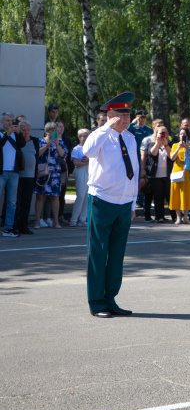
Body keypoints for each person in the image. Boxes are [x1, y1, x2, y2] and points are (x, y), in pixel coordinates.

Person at [83, 92, 139, 318]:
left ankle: (111, 299)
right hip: (102, 201)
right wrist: (107, 127)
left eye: (128, 115)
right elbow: (87, 151)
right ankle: (97, 303)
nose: (126, 119)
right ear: (110, 115)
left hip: (124, 203)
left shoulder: (130, 138)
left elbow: (133, 171)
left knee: (117, 255)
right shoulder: (99, 135)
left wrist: (133, 203)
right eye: (121, 115)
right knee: (98, 253)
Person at [34, 122, 66, 229]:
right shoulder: (40, 141)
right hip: (43, 173)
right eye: (53, 131)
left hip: (54, 174)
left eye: (56, 131)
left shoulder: (60, 142)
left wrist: (56, 145)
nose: (55, 133)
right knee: (40, 197)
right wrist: (47, 145)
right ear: (47, 131)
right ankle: (37, 221)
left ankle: (56, 222)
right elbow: (36, 154)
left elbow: (63, 154)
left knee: (55, 197)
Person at [0, 113, 25, 237]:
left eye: (11, 121)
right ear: (2, 122)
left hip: (13, 172)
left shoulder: (15, 134)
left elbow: (22, 144)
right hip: (1, 172)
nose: (10, 123)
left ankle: (9, 228)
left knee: (12, 202)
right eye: (7, 121)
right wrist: (6, 135)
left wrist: (19, 132)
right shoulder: (1, 134)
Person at [147, 123, 176, 223]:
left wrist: (166, 145)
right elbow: (153, 153)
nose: (162, 135)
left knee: (170, 197)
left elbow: (171, 156)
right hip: (156, 176)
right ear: (156, 134)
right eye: (160, 133)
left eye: (164, 133)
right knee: (158, 197)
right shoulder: (151, 144)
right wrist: (158, 143)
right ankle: (160, 217)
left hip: (168, 175)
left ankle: (174, 216)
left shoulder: (170, 144)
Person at [15, 120, 39, 234]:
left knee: (26, 202)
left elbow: (37, 156)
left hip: (30, 176)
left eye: (28, 130)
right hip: (18, 176)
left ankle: (24, 225)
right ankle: (16, 225)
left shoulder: (34, 141)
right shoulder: (16, 140)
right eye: (23, 130)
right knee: (17, 202)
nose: (26, 132)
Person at [169, 129, 190, 223]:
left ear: (188, 136)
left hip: (188, 171)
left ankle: (186, 216)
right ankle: (178, 217)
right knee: (177, 193)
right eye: (180, 134)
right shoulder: (175, 145)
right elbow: (172, 157)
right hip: (178, 169)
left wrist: (187, 148)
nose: (182, 136)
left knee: (186, 194)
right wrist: (179, 148)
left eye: (184, 134)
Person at [139, 118, 164, 222]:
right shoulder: (147, 139)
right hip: (150, 170)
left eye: (162, 125)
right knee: (148, 193)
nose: (160, 127)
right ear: (154, 127)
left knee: (159, 194)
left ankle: (159, 216)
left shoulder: (165, 138)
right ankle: (147, 216)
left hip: (161, 171)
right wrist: (142, 169)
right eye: (158, 125)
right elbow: (143, 156)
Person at [70, 129, 90, 227]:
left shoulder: (91, 149)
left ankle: (83, 219)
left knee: (87, 196)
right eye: (83, 136)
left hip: (90, 171)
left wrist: (88, 162)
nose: (85, 138)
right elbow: (76, 163)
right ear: (79, 137)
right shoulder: (77, 149)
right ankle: (74, 219)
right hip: (81, 171)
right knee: (81, 195)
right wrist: (87, 162)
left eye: (87, 135)